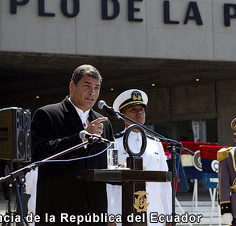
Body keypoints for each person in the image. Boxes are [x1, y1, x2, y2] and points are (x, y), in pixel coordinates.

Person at [31, 64, 114, 225]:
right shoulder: (48, 114)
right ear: (72, 86)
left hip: (95, 212)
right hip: (60, 210)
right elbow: (40, 153)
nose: (92, 93)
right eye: (87, 86)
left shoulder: (104, 123)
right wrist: (81, 138)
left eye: (97, 88)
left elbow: (106, 164)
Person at [106, 89, 172, 226]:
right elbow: (109, 183)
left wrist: (168, 214)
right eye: (133, 110)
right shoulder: (113, 144)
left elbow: (165, 182)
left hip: (153, 213)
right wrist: (111, 216)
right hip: (123, 212)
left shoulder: (156, 144)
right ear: (122, 115)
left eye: (142, 109)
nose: (139, 113)